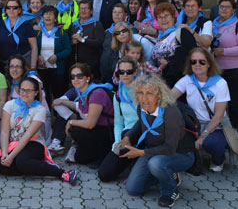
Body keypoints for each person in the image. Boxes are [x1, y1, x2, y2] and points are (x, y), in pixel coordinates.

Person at [120, 75, 195, 208]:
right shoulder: (141, 107)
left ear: (159, 95)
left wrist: (141, 153)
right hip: (153, 150)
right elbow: (140, 123)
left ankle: (170, 191)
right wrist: (128, 137)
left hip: (179, 153)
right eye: (140, 93)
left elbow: (170, 148)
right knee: (133, 189)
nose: (144, 98)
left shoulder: (170, 112)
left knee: (156, 164)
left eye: (149, 93)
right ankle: (168, 174)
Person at [0, 77, 78, 185]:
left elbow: (28, 135)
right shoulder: (9, 105)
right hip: (13, 144)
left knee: (22, 162)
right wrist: (5, 154)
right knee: (1, 166)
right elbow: (5, 132)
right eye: (22, 90)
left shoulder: (40, 109)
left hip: (33, 143)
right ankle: (34, 166)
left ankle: (61, 172)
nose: (25, 93)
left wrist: (11, 157)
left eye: (29, 90)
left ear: (35, 92)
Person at [172, 48, 230, 172]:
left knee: (212, 143)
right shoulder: (188, 80)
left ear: (209, 63)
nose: (197, 64)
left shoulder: (220, 83)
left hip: (215, 125)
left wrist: (202, 137)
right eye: (194, 62)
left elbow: (219, 115)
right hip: (194, 124)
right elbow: (169, 97)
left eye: (202, 62)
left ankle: (218, 160)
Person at [52, 63, 114, 164]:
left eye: (79, 76)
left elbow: (90, 124)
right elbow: (81, 107)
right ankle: (89, 151)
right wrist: (62, 101)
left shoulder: (96, 93)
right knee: (80, 158)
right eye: (73, 77)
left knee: (77, 131)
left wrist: (71, 122)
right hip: (96, 130)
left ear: (87, 78)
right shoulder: (81, 91)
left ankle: (99, 153)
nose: (75, 79)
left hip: (106, 132)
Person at [211, 0, 238, 133]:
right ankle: (219, 129)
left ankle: (235, 130)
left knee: (235, 102)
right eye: (221, 6)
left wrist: (224, 51)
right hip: (217, 70)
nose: (224, 9)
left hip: (235, 70)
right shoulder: (213, 25)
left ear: (233, 10)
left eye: (227, 7)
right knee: (218, 102)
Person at [98, 57, 140, 182]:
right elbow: (118, 122)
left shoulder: (144, 91)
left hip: (144, 134)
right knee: (104, 174)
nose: (125, 75)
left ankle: (137, 165)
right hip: (126, 135)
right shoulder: (118, 95)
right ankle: (129, 162)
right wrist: (117, 143)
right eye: (121, 72)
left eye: (129, 71)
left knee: (135, 181)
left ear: (135, 72)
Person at [150, 2, 196, 88]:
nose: (163, 20)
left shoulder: (181, 33)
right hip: (162, 83)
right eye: (160, 17)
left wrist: (169, 63)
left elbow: (193, 54)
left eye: (166, 16)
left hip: (180, 83)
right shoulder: (159, 39)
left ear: (173, 17)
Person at [36, 6, 71, 103]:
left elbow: (68, 49)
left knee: (58, 94)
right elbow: (33, 48)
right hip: (42, 69)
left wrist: (57, 56)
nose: (48, 16)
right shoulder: (38, 32)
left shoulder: (61, 32)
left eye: (51, 14)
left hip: (57, 69)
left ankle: (58, 115)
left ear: (55, 19)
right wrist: (38, 56)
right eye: (46, 14)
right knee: (44, 94)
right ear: (42, 17)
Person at [0, 0, 38, 71]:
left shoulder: (26, 25)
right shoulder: (0, 25)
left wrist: (33, 67)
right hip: (4, 65)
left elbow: (34, 47)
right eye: (8, 7)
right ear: (5, 10)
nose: (11, 10)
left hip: (23, 65)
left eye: (15, 8)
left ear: (19, 10)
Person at [69, 0, 105, 79]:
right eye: (81, 9)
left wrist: (82, 40)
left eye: (86, 9)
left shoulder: (96, 24)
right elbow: (67, 41)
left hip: (91, 63)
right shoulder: (73, 25)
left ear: (91, 11)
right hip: (75, 63)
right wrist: (72, 42)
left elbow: (99, 42)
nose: (83, 11)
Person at [101, 3, 130, 83]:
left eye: (120, 12)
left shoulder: (130, 31)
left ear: (125, 15)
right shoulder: (107, 32)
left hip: (121, 72)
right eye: (114, 12)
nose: (117, 15)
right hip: (106, 70)